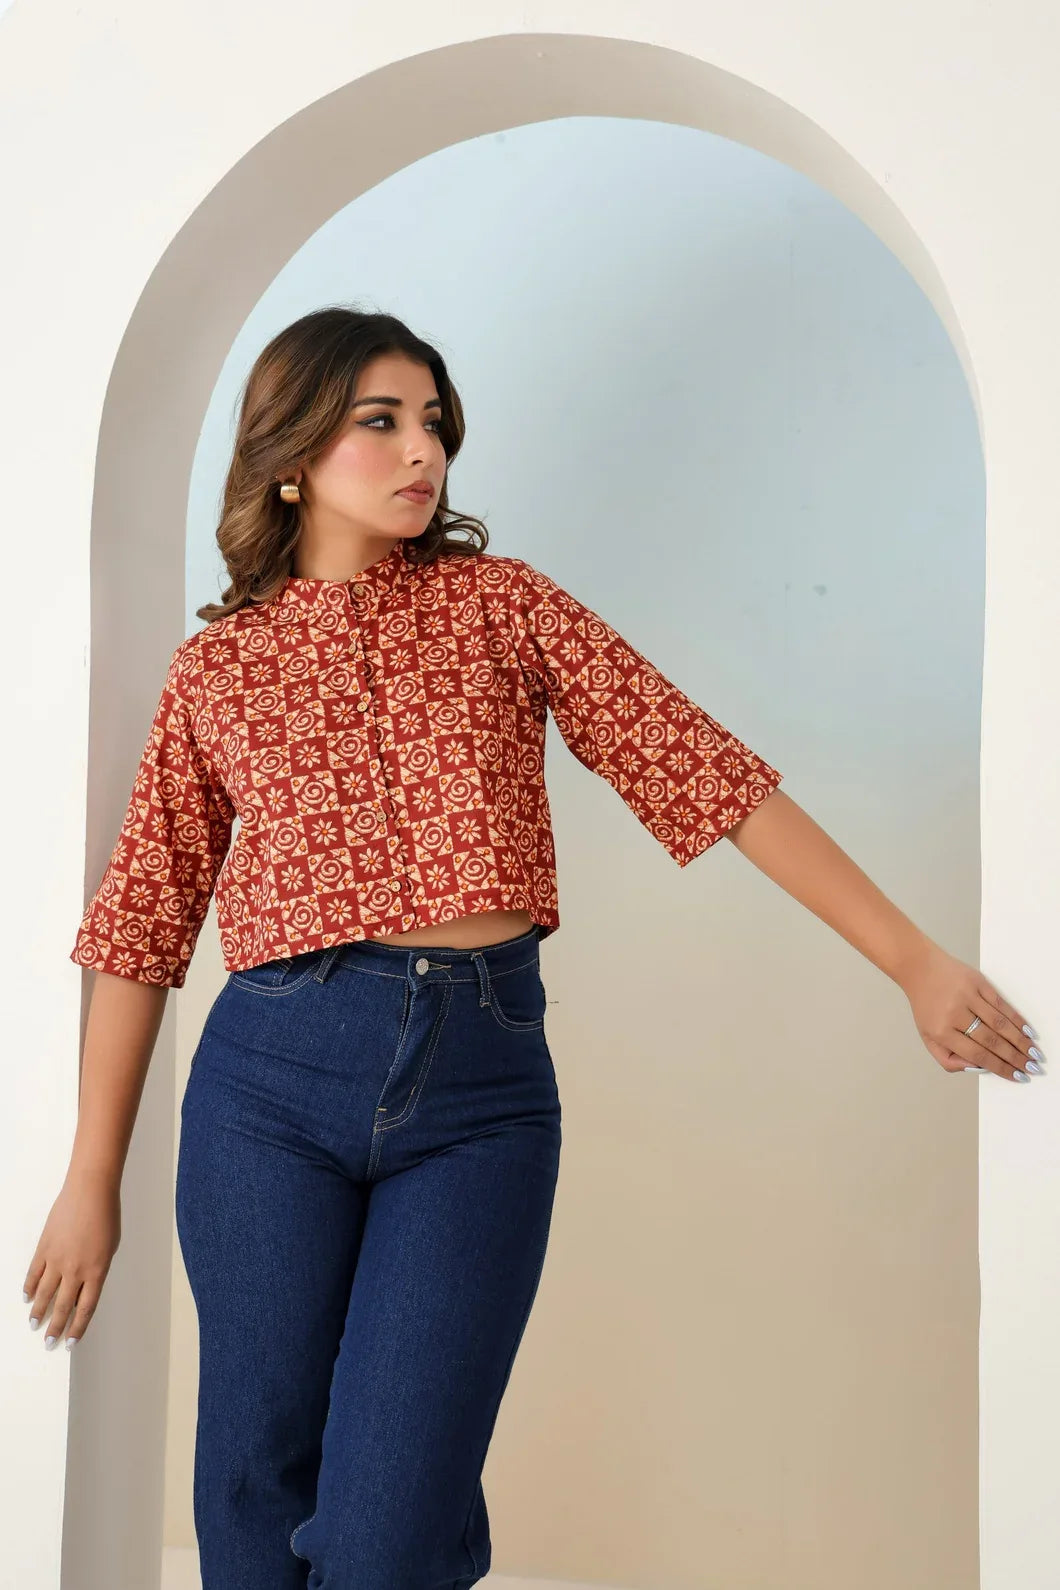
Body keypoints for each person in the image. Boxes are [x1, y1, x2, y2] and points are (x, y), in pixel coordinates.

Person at [24, 309, 1044, 1589]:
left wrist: (912, 962)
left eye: (434, 423)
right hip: (267, 1089)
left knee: (387, 1531)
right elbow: (141, 924)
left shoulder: (502, 605)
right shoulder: (216, 670)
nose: (424, 452)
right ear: (291, 454)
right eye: (382, 421)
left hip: (479, 1095)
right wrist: (91, 1176)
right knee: (253, 1477)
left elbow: (699, 769)